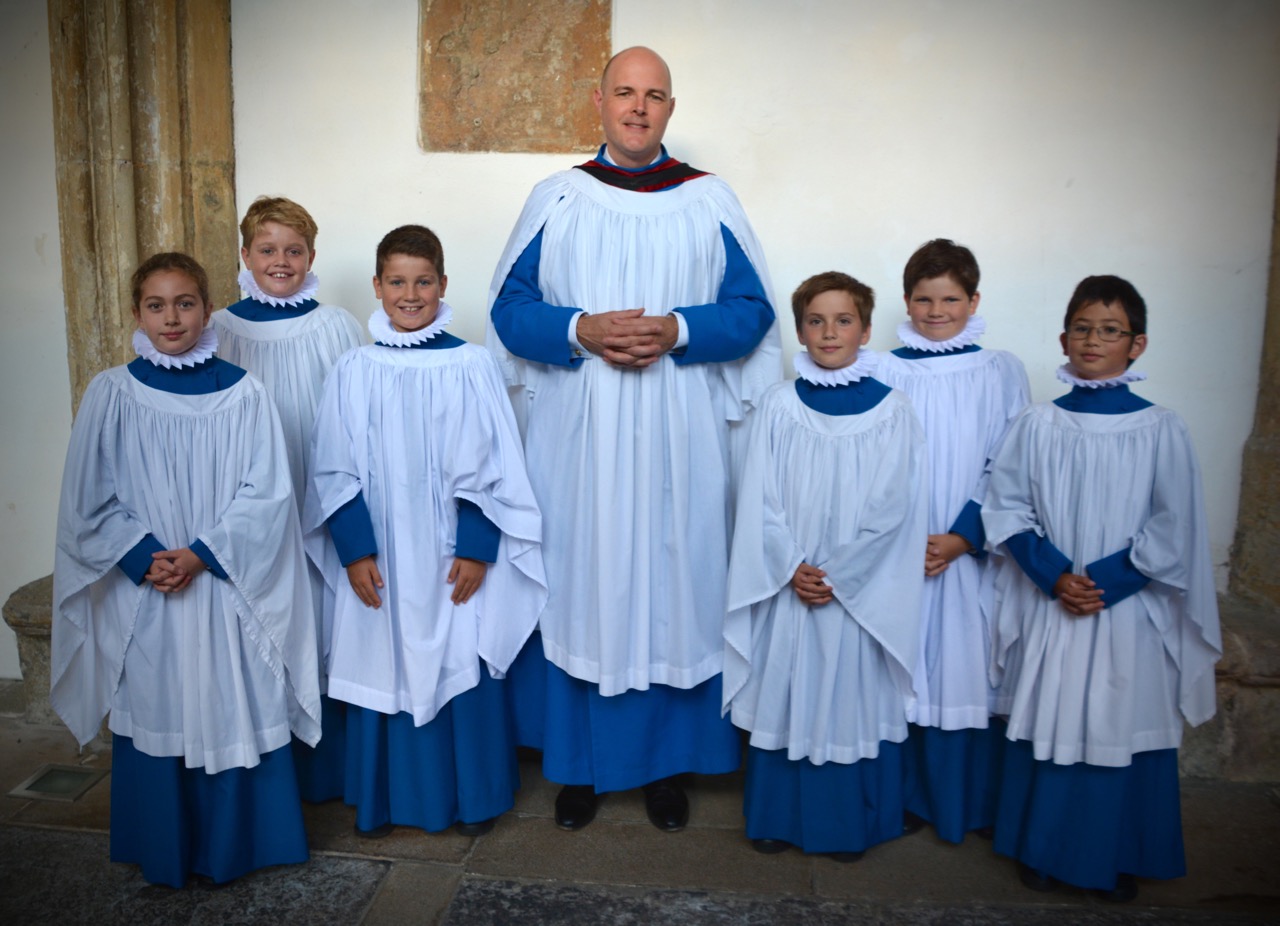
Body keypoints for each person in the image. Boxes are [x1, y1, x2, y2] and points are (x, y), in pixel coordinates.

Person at [487, 45, 780, 832]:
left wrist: (678, 327)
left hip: (676, 431)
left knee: (669, 587)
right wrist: (580, 328)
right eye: (625, 92)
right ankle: (578, 766)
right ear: (600, 101)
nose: (639, 107)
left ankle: (665, 769)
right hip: (581, 435)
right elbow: (510, 311)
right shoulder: (558, 198)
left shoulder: (708, 200)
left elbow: (753, 311)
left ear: (670, 110)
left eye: (654, 95)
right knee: (586, 581)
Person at [51, 252, 320, 888]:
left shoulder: (246, 393)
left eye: (185, 303)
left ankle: (239, 846)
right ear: (137, 312)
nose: (172, 318)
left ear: (207, 307)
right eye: (156, 304)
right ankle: (165, 844)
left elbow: (269, 494)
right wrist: (146, 557)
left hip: (225, 585)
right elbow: (86, 498)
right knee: (158, 696)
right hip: (148, 588)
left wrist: (203, 553)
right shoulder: (111, 393)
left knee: (234, 696)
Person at [982, 275, 1221, 902]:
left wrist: (1107, 582)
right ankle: (1040, 849)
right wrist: (1056, 575)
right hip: (1055, 601)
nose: (1094, 340)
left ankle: (1114, 855)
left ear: (1137, 344)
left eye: (1110, 330)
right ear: (1063, 338)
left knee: (1118, 720)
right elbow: (1006, 507)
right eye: (1083, 328)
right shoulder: (1037, 424)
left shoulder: (1162, 427)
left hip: (1124, 609)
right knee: (1051, 714)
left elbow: (1176, 524)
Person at [306, 225, 547, 838]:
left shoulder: (472, 365)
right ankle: (384, 799)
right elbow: (332, 469)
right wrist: (355, 552)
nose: (409, 295)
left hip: (450, 555)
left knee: (460, 651)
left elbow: (496, 467)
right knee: (381, 655)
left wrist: (477, 549)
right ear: (377, 286)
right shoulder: (353, 368)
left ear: (443, 285)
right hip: (380, 555)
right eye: (396, 282)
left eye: (422, 282)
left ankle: (471, 797)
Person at [723, 271, 927, 859]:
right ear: (799, 329)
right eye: (815, 320)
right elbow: (756, 495)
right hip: (794, 585)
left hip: (854, 593)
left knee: (849, 697)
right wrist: (790, 566)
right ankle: (774, 818)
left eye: (843, 320)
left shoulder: (894, 411)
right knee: (785, 687)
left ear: (866, 329)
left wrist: (839, 573)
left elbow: (897, 508)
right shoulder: (780, 405)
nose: (828, 331)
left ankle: (845, 826)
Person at [876, 239, 1030, 842]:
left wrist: (965, 536)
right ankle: (908, 796)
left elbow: (1012, 462)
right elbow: (874, 460)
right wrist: (906, 537)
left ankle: (967, 802)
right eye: (923, 298)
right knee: (905, 664)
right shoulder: (884, 369)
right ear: (907, 301)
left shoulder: (1000, 370)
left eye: (950, 298)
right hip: (902, 548)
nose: (936, 311)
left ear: (974, 300)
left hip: (967, 552)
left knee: (965, 665)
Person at [211, 195, 364, 802]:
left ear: (311, 256)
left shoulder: (335, 327)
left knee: (324, 625)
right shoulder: (219, 330)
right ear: (245, 256)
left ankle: (330, 772)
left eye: (293, 250)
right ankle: (273, 769)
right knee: (263, 622)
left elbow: (357, 421)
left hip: (320, 499)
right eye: (268, 250)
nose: (281, 261)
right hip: (249, 509)